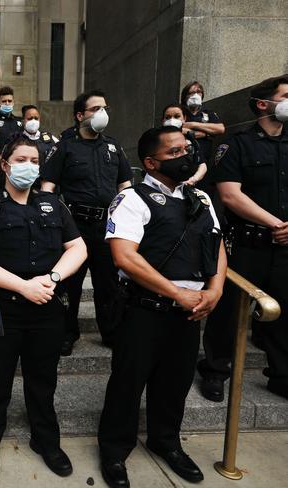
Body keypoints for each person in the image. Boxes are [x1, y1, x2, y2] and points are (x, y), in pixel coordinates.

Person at [97, 126, 226, 488]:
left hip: (190, 311)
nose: (186, 155)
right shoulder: (132, 199)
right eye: (175, 153)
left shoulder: (200, 198)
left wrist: (214, 289)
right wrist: (176, 292)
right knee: (128, 382)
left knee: (175, 382)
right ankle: (114, 449)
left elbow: (215, 246)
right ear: (151, 163)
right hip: (143, 309)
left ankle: (165, 441)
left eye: (186, 148)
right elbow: (124, 257)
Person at [0, 135, 87, 484]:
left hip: (46, 306)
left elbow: (77, 247)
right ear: (4, 165)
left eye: (34, 161)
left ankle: (46, 441)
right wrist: (23, 286)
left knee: (43, 380)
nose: (28, 166)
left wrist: (52, 277)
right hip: (1, 309)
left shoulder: (53, 204)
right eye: (20, 160)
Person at [197, 75, 288, 402]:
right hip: (249, 243)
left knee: (284, 311)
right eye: (286, 95)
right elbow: (231, 196)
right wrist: (276, 223)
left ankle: (281, 374)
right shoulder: (236, 144)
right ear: (264, 104)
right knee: (229, 312)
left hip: (284, 246)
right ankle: (216, 370)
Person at [40, 90, 132, 355]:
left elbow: (125, 187)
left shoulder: (113, 147)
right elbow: (48, 187)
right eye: (95, 109)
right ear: (80, 115)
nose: (102, 113)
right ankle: (67, 333)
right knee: (70, 283)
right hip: (74, 227)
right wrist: (51, 221)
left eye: (104, 108)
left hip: (107, 227)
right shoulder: (66, 146)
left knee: (109, 284)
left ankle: (111, 332)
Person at [161, 103, 207, 186]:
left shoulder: (191, 141)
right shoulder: (156, 141)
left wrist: (192, 180)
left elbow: (202, 165)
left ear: (184, 118)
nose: (172, 120)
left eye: (176, 116)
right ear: (162, 121)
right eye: (167, 117)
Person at [179, 81, 226, 163]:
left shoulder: (208, 113)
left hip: (205, 158)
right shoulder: (179, 112)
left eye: (198, 92)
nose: (195, 95)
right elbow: (177, 131)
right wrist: (206, 134)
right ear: (185, 96)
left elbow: (220, 129)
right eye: (192, 93)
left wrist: (192, 125)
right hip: (183, 158)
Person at [0, 86, 23, 194]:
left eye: (9, 101)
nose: (7, 103)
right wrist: (2, 161)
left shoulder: (19, 122)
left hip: (16, 168)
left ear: (13, 102)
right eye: (4, 101)